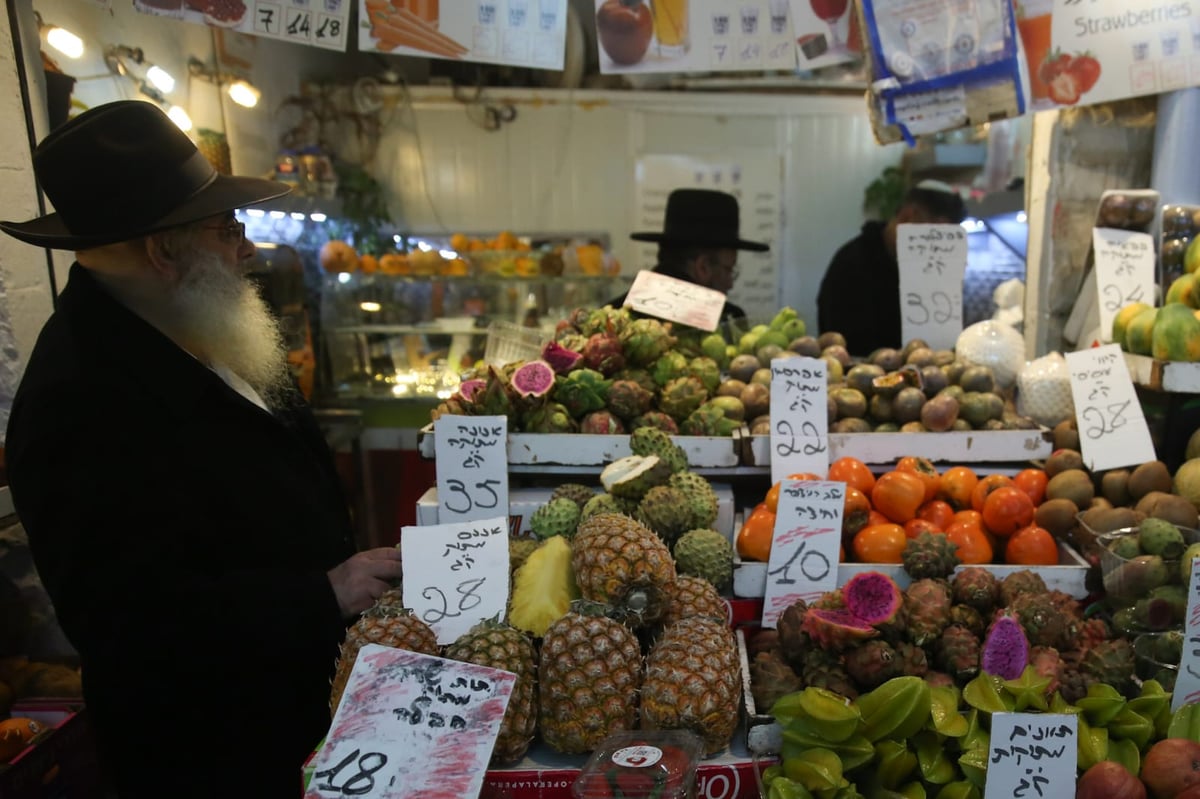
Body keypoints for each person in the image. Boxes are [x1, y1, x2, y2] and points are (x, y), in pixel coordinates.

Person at [0, 101, 404, 797]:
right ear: (163, 250)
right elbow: (129, 625)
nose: (245, 248)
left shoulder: (185, 324)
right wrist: (323, 592)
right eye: (228, 228)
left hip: (298, 714)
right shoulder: (78, 397)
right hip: (213, 756)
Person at [817, 179, 967, 356]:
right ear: (907, 217)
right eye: (934, 236)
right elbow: (842, 345)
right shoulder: (851, 262)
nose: (937, 248)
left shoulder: (929, 270)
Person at [610, 188, 769, 323]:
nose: (730, 284)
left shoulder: (610, 317)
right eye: (729, 270)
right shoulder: (725, 320)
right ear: (703, 266)